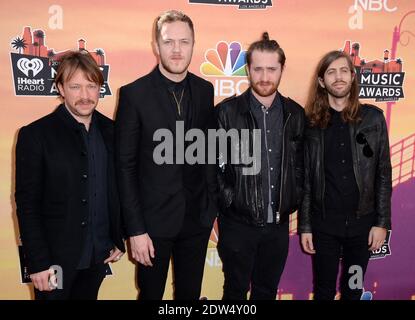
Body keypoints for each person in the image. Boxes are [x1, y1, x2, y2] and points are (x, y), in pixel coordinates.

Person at [115, 10, 218, 300]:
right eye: (169, 41)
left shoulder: (204, 90)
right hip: (151, 225)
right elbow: (125, 167)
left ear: (193, 44)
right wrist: (135, 229)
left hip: (196, 221)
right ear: (155, 46)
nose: (176, 50)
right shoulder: (134, 94)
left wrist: (211, 208)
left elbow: (207, 153)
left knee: (189, 297)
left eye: (184, 42)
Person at [15, 51, 125, 300]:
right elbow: (27, 204)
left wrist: (119, 234)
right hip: (54, 261)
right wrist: (38, 262)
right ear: (61, 88)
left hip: (98, 256)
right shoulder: (36, 135)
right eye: (75, 86)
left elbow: (119, 188)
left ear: (100, 89)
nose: (85, 95)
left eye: (91, 86)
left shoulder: (113, 131)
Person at [216, 32, 305, 300]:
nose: (264, 77)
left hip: (278, 226)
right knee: (234, 291)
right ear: (248, 70)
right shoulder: (227, 112)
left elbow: (302, 165)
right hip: (237, 225)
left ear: (281, 69)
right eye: (258, 69)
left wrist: (295, 196)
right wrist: (231, 200)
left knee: (266, 292)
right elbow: (212, 166)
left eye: (271, 69)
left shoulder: (296, 114)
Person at [298, 50, 392, 300]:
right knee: (323, 291)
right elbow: (307, 179)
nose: (337, 77)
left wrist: (382, 223)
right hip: (324, 225)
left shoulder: (372, 119)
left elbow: (383, 174)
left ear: (352, 76)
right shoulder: (311, 124)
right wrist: (306, 226)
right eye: (331, 72)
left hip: (362, 227)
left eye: (343, 70)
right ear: (321, 81)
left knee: (353, 289)